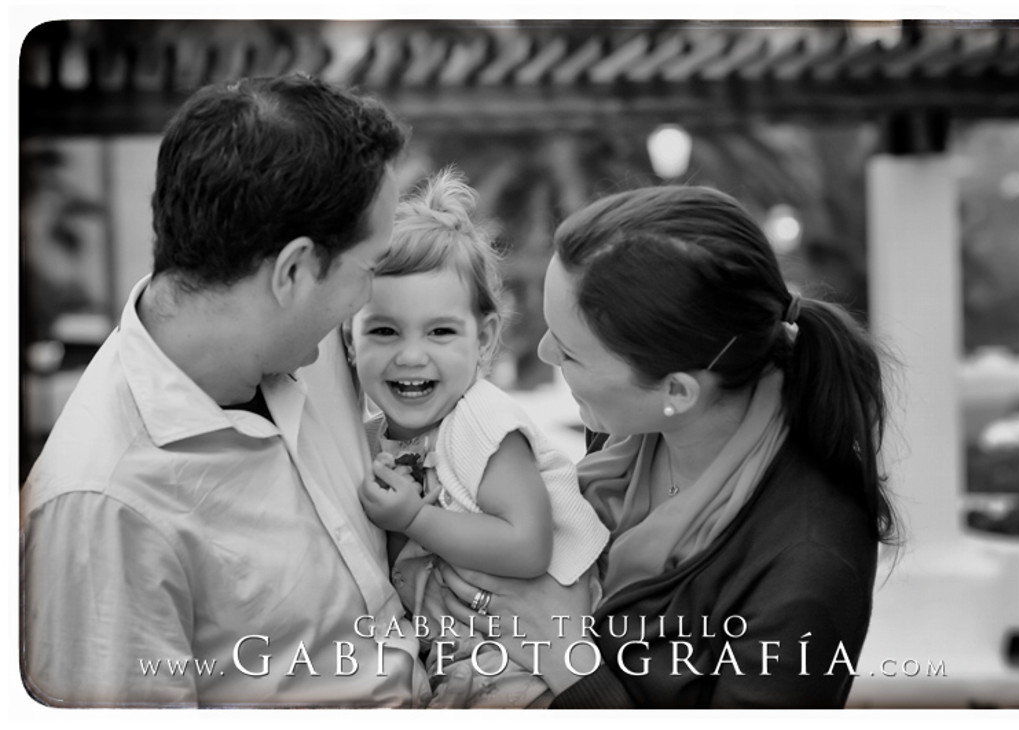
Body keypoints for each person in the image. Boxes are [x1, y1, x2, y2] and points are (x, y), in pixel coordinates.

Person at [20, 74, 431, 707]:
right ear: (293, 271)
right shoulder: (104, 507)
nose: (369, 299)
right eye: (368, 270)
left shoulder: (304, 346)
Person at [435, 184, 898, 708]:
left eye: (570, 352)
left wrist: (565, 655)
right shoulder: (630, 435)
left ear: (678, 390)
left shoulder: (809, 564)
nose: (544, 352)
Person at [350, 169, 608, 707]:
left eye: (440, 331)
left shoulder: (482, 423)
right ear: (349, 340)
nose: (412, 354)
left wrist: (415, 520)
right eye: (384, 330)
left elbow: (527, 545)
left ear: (484, 339)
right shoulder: (372, 437)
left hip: (530, 677)